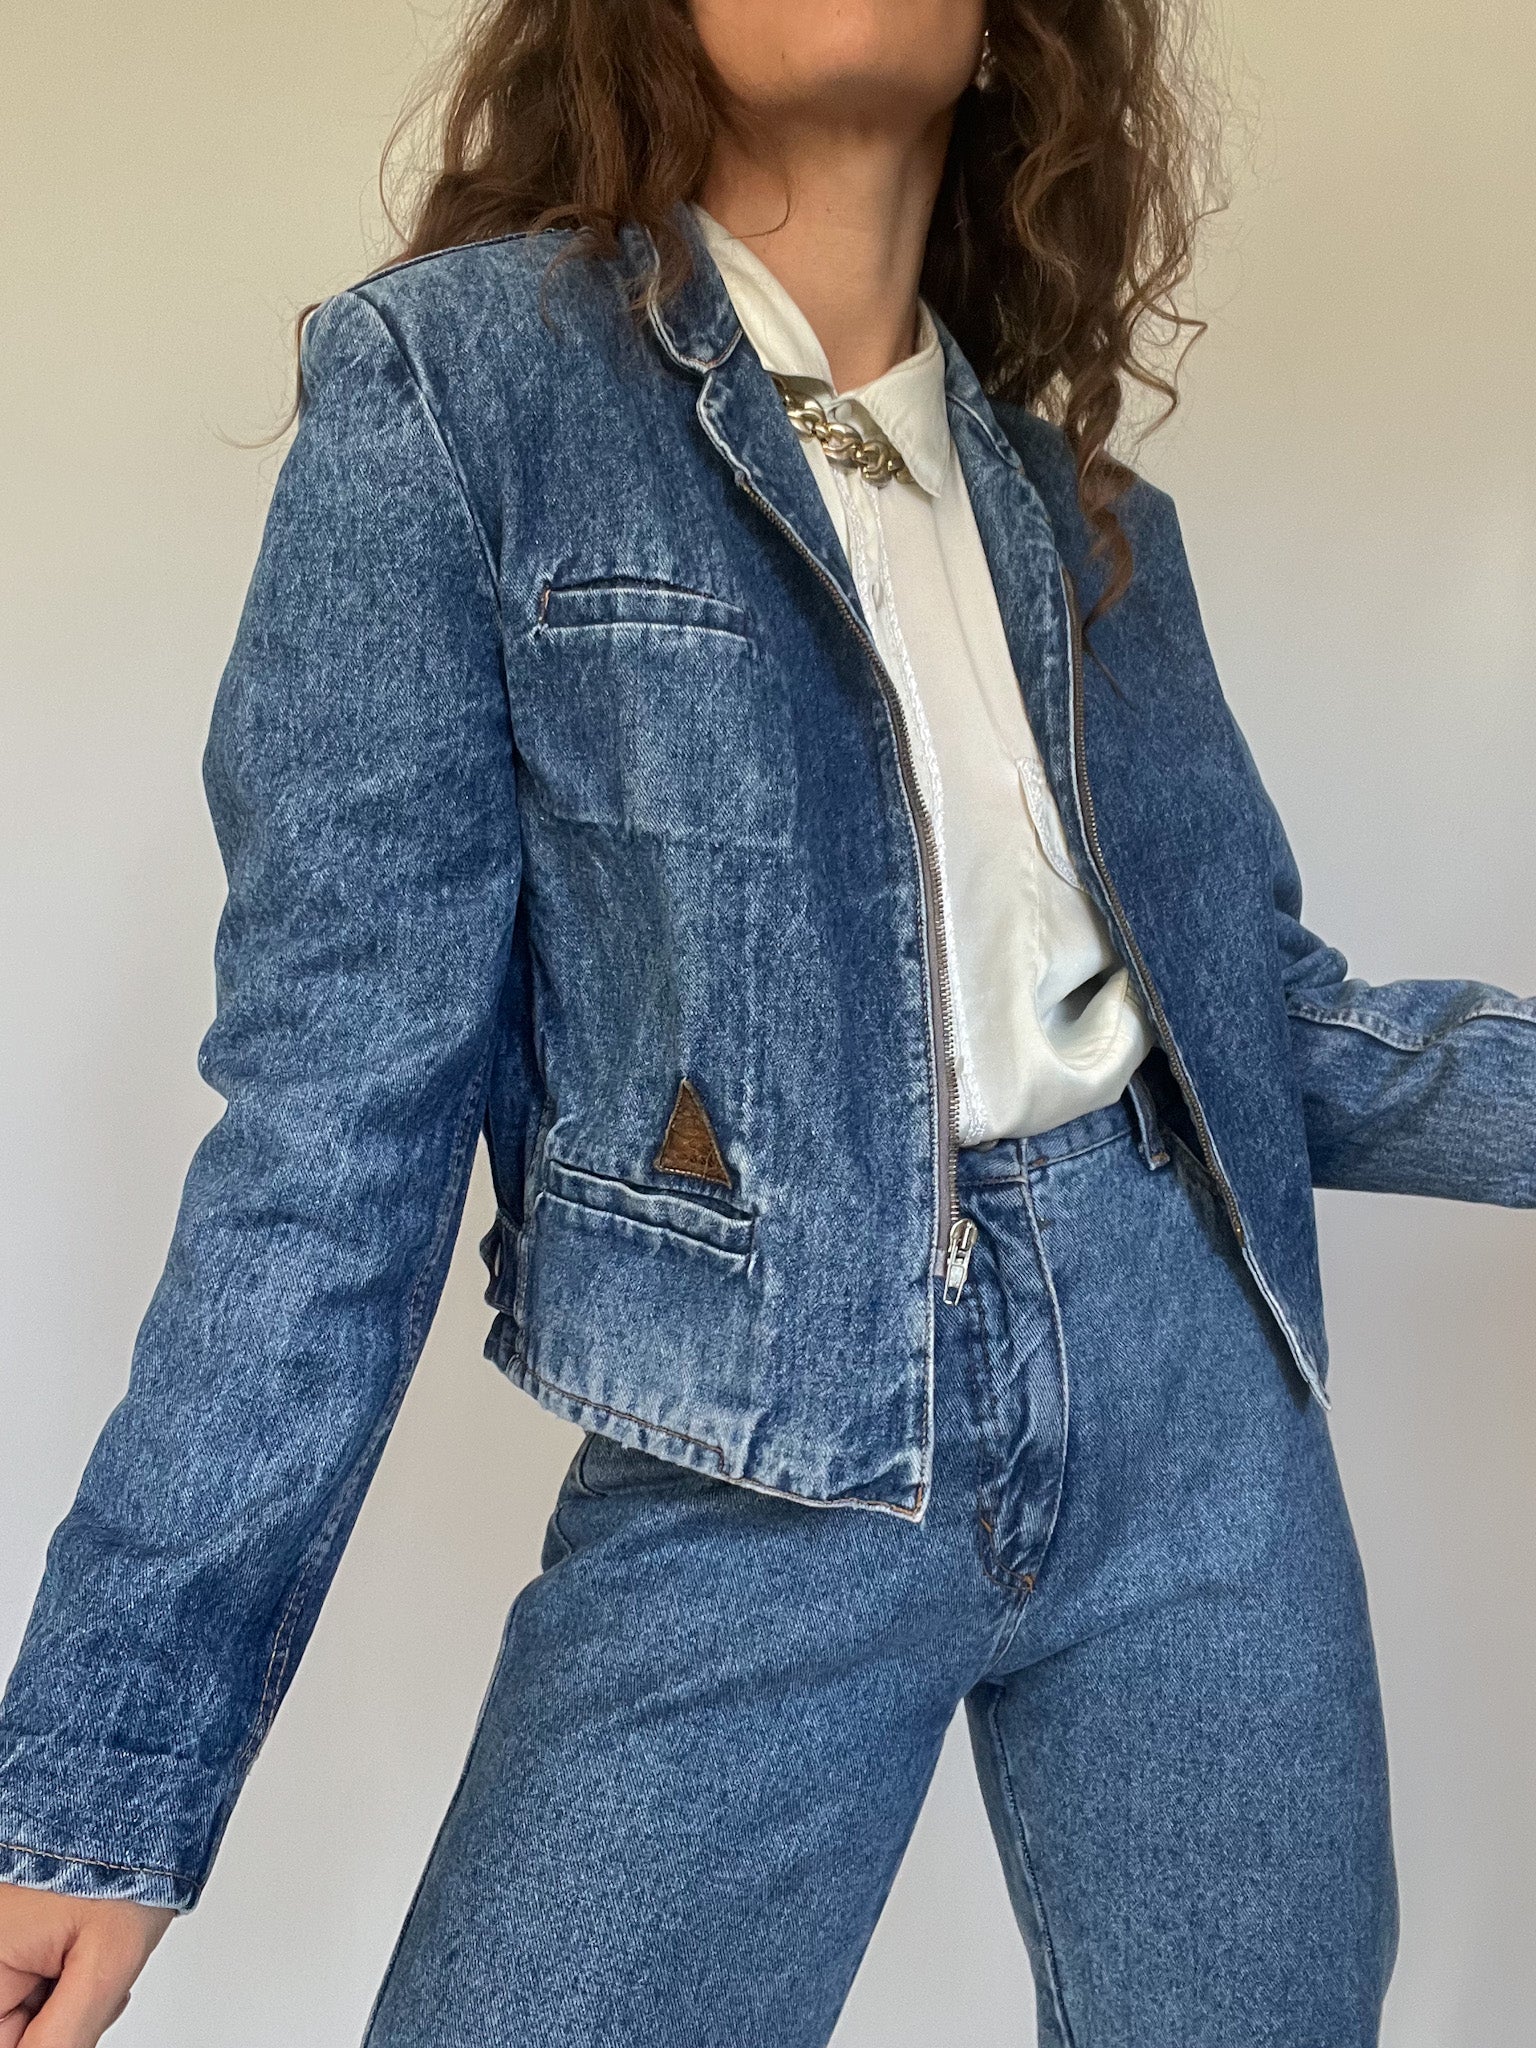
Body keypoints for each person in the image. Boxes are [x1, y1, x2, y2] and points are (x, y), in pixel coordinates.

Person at [1, 2, 1531, 2043]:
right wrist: (103, 1783)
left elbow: (1275, 1032)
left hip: (1200, 1415)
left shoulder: (1087, 520)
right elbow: (331, 1130)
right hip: (764, 1437)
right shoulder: (461, 392)